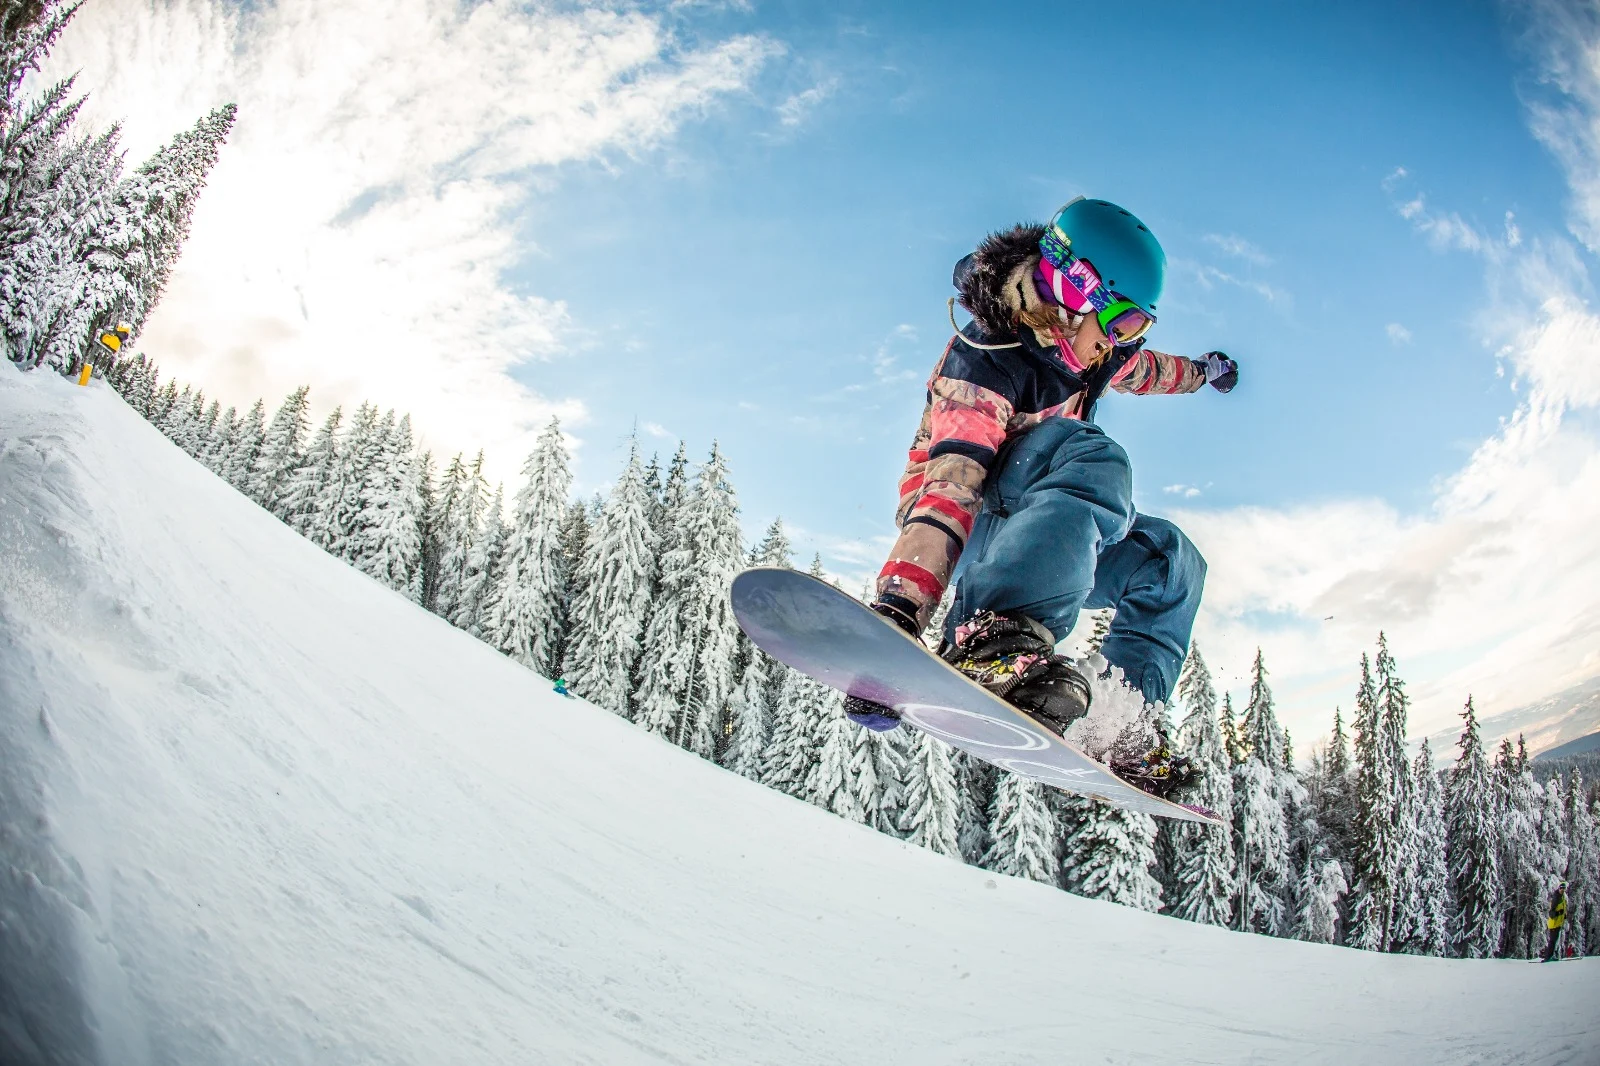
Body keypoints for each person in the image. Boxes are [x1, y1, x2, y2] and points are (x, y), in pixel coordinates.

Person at [844, 198, 1236, 791]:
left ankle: (1119, 719)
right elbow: (952, 484)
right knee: (1086, 449)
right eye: (1122, 323)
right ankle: (991, 636)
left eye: (1137, 328)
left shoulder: (1091, 353)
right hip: (969, 531)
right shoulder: (986, 360)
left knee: (1170, 558)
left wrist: (1204, 372)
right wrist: (901, 613)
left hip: (1050, 534)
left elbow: (1150, 371)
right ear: (1077, 290)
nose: (1120, 342)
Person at [1541, 880, 1568, 962]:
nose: (1562, 890)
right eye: (1561, 888)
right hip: (1553, 924)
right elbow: (1551, 913)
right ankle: (1547, 957)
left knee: (1554, 941)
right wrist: (1559, 913)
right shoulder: (1556, 898)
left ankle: (1551, 956)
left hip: (1558, 923)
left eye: (1564, 888)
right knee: (1552, 941)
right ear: (1559, 888)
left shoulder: (1561, 896)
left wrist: (1563, 915)